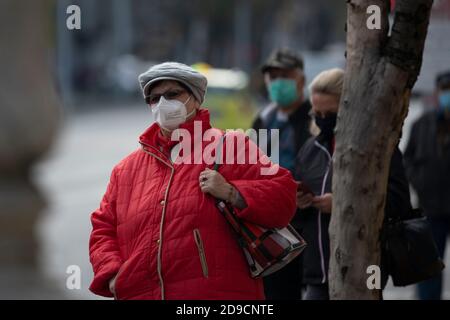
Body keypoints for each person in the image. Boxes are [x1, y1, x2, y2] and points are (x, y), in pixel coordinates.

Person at [88, 62, 297, 300]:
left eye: (172, 94)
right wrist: (114, 275)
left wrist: (232, 192)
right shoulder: (125, 169)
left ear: (196, 100)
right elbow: (103, 228)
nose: (163, 104)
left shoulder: (230, 147)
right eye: (154, 98)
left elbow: (284, 197)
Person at [295, 68, 412, 300]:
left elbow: (399, 202)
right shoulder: (311, 150)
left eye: (330, 113)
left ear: (348, 107)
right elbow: (296, 217)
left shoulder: (376, 147)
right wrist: (298, 203)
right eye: (316, 112)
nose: (322, 119)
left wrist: (340, 204)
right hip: (318, 269)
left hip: (365, 265)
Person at [252, 48, 312, 300]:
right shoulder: (263, 120)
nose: (277, 83)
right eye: (272, 77)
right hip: (271, 223)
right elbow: (249, 166)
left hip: (308, 219)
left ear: (301, 79)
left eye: (284, 75)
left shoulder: (316, 117)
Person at [404, 70, 450, 300]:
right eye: (445, 91)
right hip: (431, 207)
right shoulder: (423, 124)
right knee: (429, 265)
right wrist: (420, 182)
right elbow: (408, 159)